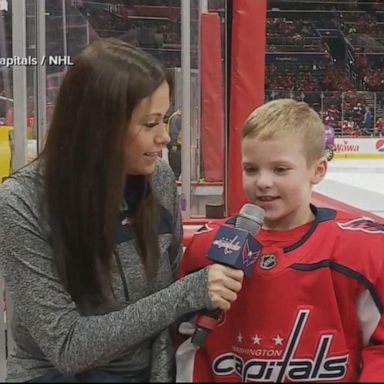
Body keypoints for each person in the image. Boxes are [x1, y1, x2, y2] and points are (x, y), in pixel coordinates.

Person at [0, 38, 244, 383]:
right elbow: (69, 347)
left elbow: (165, 312)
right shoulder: (21, 201)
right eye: (150, 124)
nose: (165, 138)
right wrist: (187, 292)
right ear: (100, 127)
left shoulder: (157, 178)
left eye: (165, 120)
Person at [175, 98, 384, 382]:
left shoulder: (361, 251)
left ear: (318, 170)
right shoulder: (209, 247)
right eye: (251, 169)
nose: (262, 181)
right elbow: (188, 343)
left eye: (280, 169)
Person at [166, 107, 182, 180]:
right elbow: (173, 132)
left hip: (177, 146)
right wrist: (174, 144)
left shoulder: (177, 117)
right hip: (177, 147)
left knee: (176, 169)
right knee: (176, 170)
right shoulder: (177, 118)